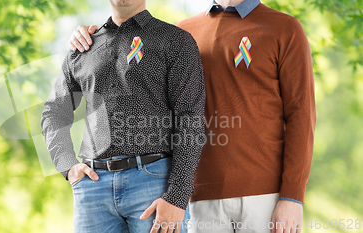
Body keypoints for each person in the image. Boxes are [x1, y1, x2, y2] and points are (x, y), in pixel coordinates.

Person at [68, 0, 316, 233]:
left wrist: (292, 196)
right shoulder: (183, 32)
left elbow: (301, 116)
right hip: (198, 195)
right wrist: (91, 36)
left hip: (264, 194)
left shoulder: (284, 28)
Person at [41, 0, 206, 232]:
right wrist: (68, 166)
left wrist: (177, 197)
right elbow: (54, 113)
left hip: (155, 183)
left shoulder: (175, 40)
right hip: (92, 190)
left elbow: (191, 119)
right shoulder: (83, 47)